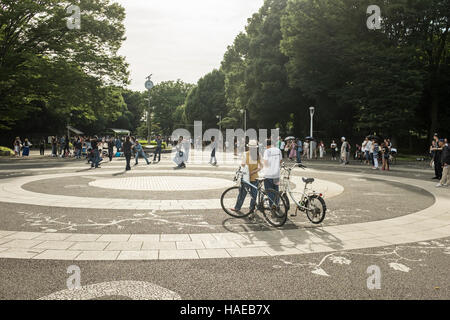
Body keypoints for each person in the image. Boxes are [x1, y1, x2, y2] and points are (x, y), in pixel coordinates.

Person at [230, 140, 263, 217]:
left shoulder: (246, 154)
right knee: (254, 195)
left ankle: (237, 208)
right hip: (255, 177)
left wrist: (249, 172)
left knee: (242, 193)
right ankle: (251, 209)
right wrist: (254, 171)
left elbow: (242, 165)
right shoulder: (258, 154)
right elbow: (261, 167)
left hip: (246, 177)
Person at [263, 138, 283, 205]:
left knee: (269, 191)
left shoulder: (267, 151)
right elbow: (280, 161)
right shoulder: (278, 150)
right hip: (276, 174)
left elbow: (265, 163)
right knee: (276, 190)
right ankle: (277, 205)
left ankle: (272, 205)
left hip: (268, 174)